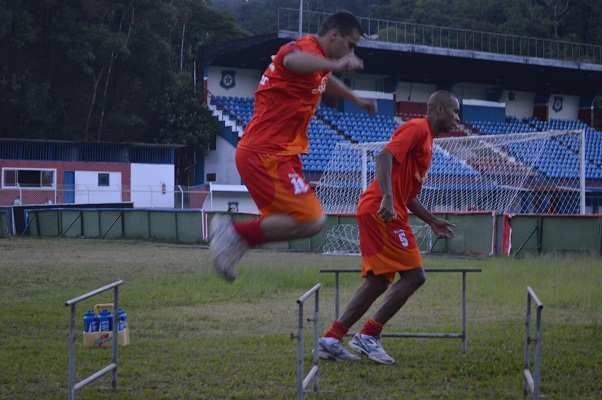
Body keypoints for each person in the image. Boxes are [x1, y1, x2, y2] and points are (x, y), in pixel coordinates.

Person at [210, 11, 376, 281]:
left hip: (280, 154)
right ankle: (234, 235)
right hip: (266, 153)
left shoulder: (318, 64)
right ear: (334, 35)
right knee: (311, 219)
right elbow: (292, 59)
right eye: (351, 44)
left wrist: (355, 99)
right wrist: (338, 64)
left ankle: (236, 238)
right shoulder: (302, 50)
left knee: (299, 220)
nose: (352, 51)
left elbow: (323, 79)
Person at [318, 91, 459, 364]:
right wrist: (387, 197)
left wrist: (431, 220)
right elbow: (383, 156)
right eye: (454, 111)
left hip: (385, 210)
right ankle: (368, 336)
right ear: (439, 109)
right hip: (382, 211)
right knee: (414, 276)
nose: (457, 118)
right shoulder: (417, 128)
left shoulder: (427, 141)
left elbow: (408, 194)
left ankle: (331, 339)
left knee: (379, 281)